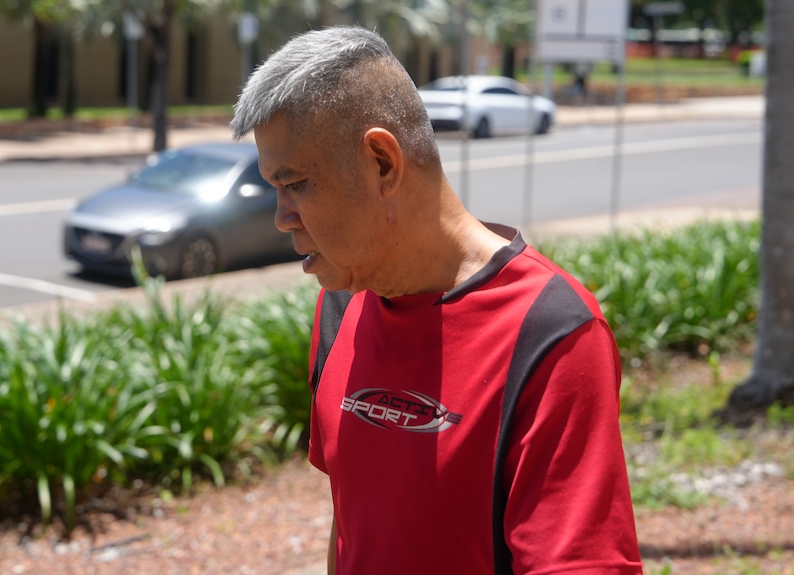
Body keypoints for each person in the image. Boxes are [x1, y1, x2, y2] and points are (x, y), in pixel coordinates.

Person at [231, 26, 643, 575]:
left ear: (382, 163)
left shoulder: (552, 332)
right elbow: (352, 524)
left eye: (297, 184)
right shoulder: (342, 305)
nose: (282, 217)